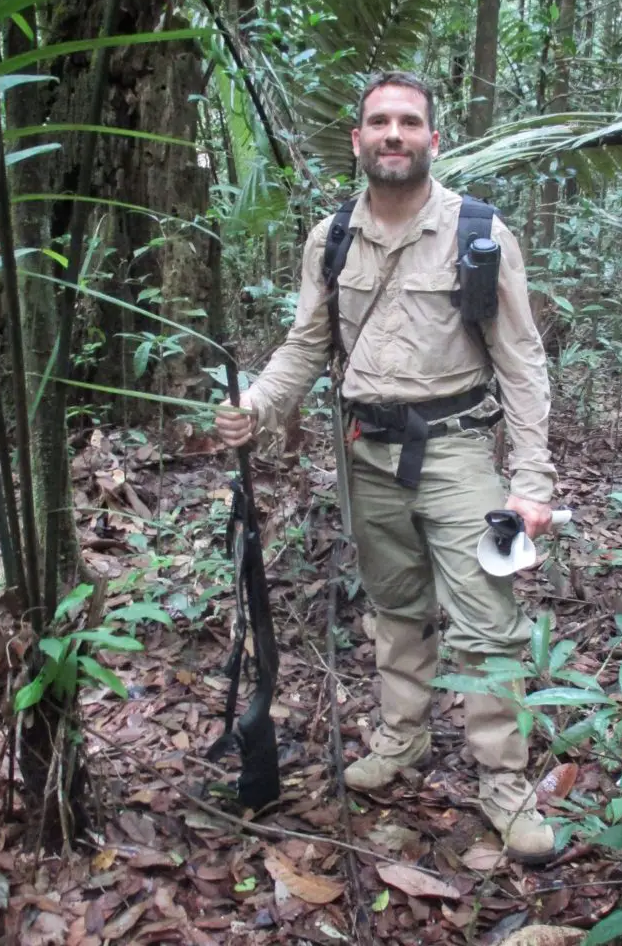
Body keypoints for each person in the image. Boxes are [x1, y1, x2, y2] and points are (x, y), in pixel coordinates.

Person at [216, 71, 559, 863]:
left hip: (457, 449)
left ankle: (503, 784)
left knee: (486, 621)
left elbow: (521, 360)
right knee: (394, 607)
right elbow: (307, 342)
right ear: (358, 139)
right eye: (379, 122)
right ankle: (400, 740)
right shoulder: (330, 236)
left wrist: (532, 481)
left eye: (409, 122)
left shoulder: (479, 232)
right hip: (365, 450)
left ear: (433, 139)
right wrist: (259, 406)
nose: (394, 134)